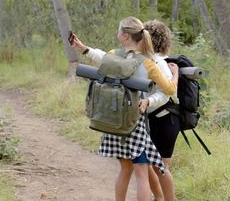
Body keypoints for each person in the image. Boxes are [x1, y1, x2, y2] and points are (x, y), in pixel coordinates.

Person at [70, 16, 179, 201]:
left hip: (113, 120)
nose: (117, 33)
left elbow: (100, 56)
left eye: (119, 30)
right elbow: (170, 90)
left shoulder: (114, 55)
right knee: (142, 174)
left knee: (124, 169)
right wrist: (153, 97)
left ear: (126, 36)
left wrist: (83, 49)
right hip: (134, 123)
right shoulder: (147, 62)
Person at [144, 20, 179, 201]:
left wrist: (175, 76)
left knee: (160, 166)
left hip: (166, 119)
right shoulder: (147, 59)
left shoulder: (161, 63)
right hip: (155, 120)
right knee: (149, 164)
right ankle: (158, 198)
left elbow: (169, 93)